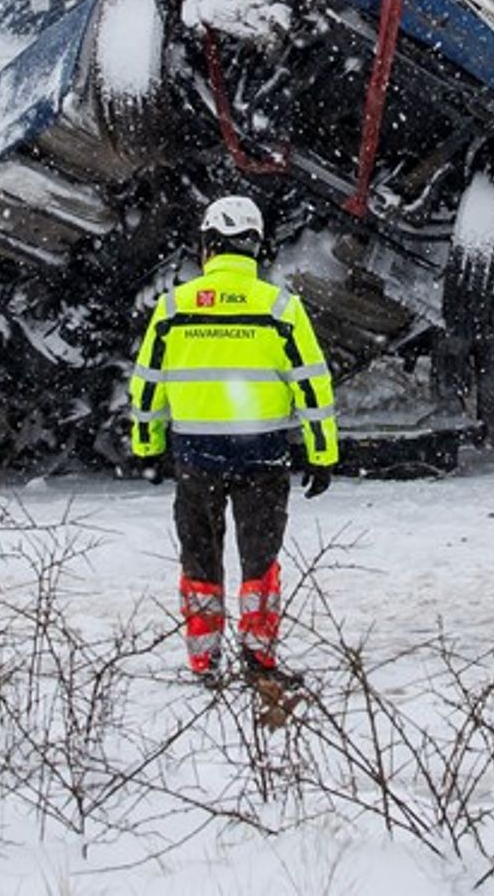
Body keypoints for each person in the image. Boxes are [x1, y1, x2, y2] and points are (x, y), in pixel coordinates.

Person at [129, 195, 338, 687]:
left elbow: (147, 386)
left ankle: (204, 662)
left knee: (200, 557)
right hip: (262, 455)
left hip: (195, 457)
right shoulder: (281, 308)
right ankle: (259, 658)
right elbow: (312, 384)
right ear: (254, 248)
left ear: (208, 247)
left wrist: (146, 444)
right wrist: (321, 452)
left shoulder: (173, 308)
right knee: (258, 561)